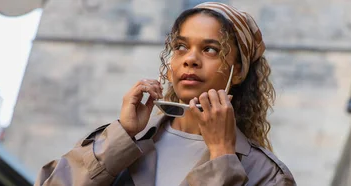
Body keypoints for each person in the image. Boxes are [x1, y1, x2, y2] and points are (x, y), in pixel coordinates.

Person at [35, 2, 296, 186]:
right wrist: (121, 135)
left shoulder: (268, 175)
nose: (190, 59)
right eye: (181, 46)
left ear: (237, 72)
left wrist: (221, 156)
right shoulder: (125, 142)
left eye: (210, 50)